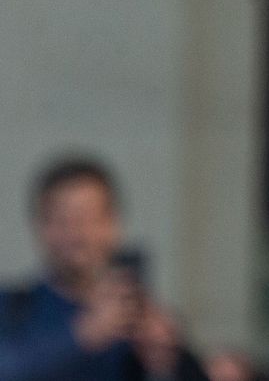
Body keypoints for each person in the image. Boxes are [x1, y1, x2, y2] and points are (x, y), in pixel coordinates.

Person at [0, 154, 208, 380]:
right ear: (41, 227)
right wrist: (83, 334)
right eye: (63, 219)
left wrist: (169, 359)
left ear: (113, 224)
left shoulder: (136, 315)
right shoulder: (14, 309)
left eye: (89, 218)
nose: (76, 233)